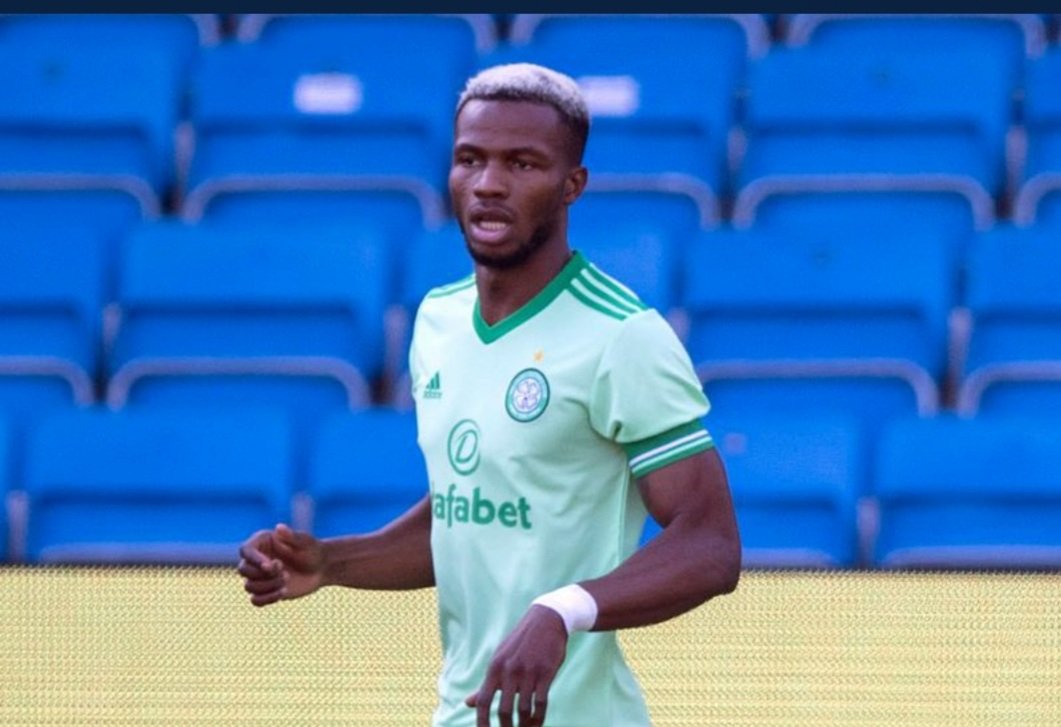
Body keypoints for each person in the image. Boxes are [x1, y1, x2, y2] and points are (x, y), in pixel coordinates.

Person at [238, 62, 741, 727]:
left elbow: (710, 545)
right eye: (469, 159)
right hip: (464, 711)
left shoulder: (621, 336)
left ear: (572, 184)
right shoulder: (438, 320)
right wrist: (333, 561)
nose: (488, 184)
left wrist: (562, 610)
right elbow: (470, 511)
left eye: (522, 164)